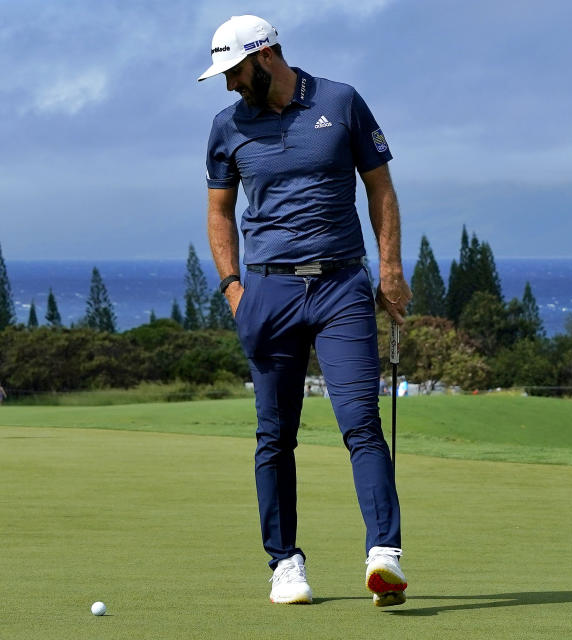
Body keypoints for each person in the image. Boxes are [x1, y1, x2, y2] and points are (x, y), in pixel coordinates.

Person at [200, 15, 410, 607]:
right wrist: (233, 288)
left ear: (265, 57)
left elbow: (380, 187)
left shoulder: (341, 103)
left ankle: (383, 556)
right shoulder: (225, 127)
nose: (228, 85)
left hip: (341, 286)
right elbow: (219, 213)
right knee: (274, 436)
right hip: (267, 294)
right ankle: (285, 564)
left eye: (235, 72)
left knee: (360, 423)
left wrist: (390, 269)